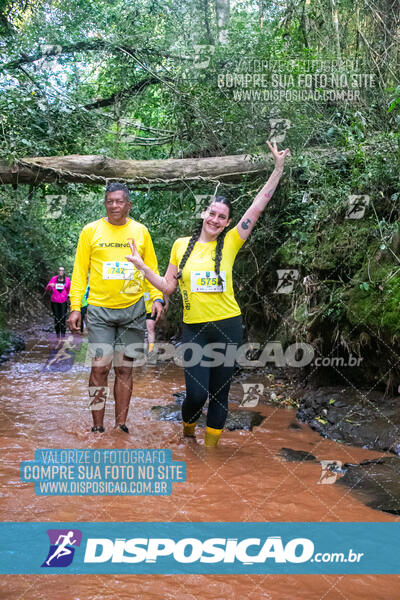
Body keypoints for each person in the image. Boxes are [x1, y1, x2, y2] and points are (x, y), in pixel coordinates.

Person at [126, 140, 290, 447]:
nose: (215, 220)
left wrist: (277, 169)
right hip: (195, 331)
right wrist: (141, 267)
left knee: (220, 394)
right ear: (205, 213)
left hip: (228, 327)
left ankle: (211, 454)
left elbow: (257, 206)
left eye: (221, 217)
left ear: (228, 222)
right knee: (196, 394)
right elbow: (168, 287)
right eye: (212, 213)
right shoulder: (179, 245)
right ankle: (188, 435)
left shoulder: (230, 243)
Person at [67, 182, 164, 434]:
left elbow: (150, 268)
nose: (114, 205)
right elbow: (79, 272)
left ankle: (120, 424)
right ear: (105, 203)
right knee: (100, 367)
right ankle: (97, 426)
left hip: (133, 309)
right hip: (100, 309)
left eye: (119, 201)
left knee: (124, 367)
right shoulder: (91, 231)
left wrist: (157, 297)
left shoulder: (141, 232)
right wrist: (75, 306)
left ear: (128, 204)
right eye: (109, 201)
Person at [46, 266, 71, 337]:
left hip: (63, 301)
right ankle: (57, 335)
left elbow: (69, 289)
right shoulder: (54, 278)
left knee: (63, 318)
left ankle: (63, 335)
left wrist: (68, 297)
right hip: (54, 301)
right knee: (56, 318)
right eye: (60, 270)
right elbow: (47, 289)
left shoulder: (67, 280)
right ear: (58, 271)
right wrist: (50, 285)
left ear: (64, 272)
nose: (61, 272)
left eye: (62, 270)